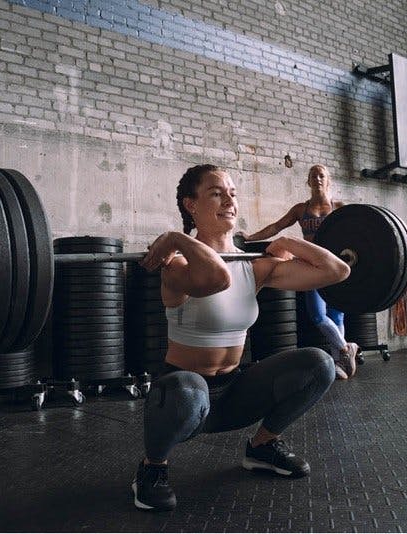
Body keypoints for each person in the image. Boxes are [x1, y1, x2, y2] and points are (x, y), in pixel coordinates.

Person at [133, 164, 350, 512]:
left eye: (232, 194)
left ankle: (262, 446)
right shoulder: (175, 265)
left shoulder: (253, 266)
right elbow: (217, 278)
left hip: (235, 394)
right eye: (216, 193)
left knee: (320, 364)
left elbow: (337, 270)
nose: (229, 201)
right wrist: (177, 239)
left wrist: (289, 241)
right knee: (187, 388)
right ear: (191, 205)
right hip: (184, 399)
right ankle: (152, 468)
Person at [237, 164, 359, 380]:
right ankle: (345, 348)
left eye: (321, 175)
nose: (317, 178)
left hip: (334, 265)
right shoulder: (300, 210)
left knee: (336, 315)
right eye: (313, 176)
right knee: (317, 315)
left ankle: (340, 361)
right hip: (310, 267)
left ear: (328, 180)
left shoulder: (339, 207)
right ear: (308, 181)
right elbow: (276, 227)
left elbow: (359, 231)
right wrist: (251, 237)